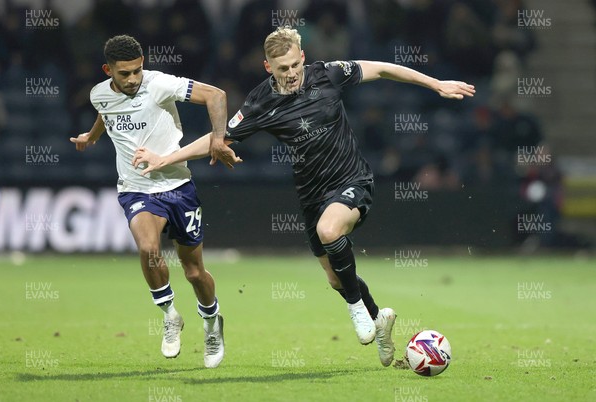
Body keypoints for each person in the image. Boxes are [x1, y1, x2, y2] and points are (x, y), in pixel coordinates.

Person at [132, 27, 475, 367]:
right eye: (283, 68)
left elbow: (383, 68)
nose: (292, 73)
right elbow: (217, 138)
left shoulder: (328, 74)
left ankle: (357, 311)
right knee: (334, 277)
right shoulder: (260, 102)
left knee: (330, 232)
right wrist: (166, 158)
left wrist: (435, 84)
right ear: (269, 67)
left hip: (352, 179)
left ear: (303, 58)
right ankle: (376, 320)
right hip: (311, 195)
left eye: (296, 65)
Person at [70, 35, 240, 368]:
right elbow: (107, 110)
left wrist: (218, 139)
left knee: (194, 272)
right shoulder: (98, 94)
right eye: (124, 74)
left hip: (177, 186)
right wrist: (92, 137)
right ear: (109, 71)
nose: (133, 79)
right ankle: (170, 315)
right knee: (148, 249)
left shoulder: (159, 84)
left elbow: (216, 95)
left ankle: (211, 322)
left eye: (137, 71)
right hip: (135, 188)